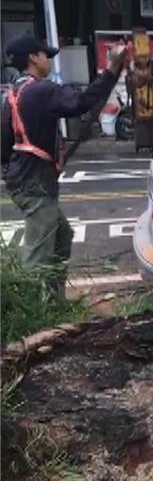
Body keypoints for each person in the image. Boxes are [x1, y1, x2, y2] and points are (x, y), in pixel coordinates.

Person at [2, 35, 127, 301]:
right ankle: (35, 314)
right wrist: (112, 70)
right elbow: (81, 102)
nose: (48, 60)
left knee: (61, 236)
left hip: (25, 180)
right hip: (35, 183)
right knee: (38, 255)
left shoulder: (12, 93)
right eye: (45, 55)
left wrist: (13, 172)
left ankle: (53, 300)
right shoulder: (40, 91)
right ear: (33, 58)